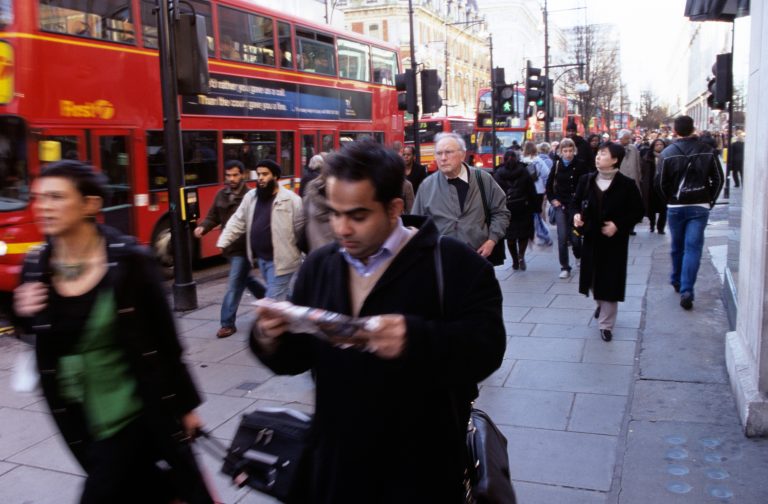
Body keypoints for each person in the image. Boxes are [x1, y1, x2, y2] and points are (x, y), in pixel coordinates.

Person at [251, 140, 506, 503]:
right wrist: (269, 336)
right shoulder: (321, 265)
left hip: (420, 470)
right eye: (335, 213)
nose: (342, 229)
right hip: (339, 467)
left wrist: (416, 338)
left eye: (357, 216)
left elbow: (487, 349)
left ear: (394, 209)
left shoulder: (454, 265)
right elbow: (297, 357)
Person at [13, 160, 212, 504]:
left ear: (90, 204)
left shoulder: (130, 261)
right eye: (39, 197)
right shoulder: (36, 264)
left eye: (56, 197)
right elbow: (39, 336)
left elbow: (166, 343)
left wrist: (186, 406)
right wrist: (23, 312)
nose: (43, 207)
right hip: (79, 418)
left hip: (133, 411)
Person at [573, 142, 644, 342]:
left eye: (603, 154)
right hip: (591, 238)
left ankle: (606, 325)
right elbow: (575, 203)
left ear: (615, 160)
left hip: (614, 242)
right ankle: (600, 303)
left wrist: (618, 225)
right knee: (594, 279)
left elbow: (638, 211)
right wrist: (576, 215)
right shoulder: (586, 180)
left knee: (611, 281)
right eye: (598, 153)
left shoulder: (626, 185)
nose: (598, 157)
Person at [656, 115, 724, 310]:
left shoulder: (667, 153)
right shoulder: (707, 151)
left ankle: (676, 279)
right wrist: (709, 200)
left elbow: (659, 183)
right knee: (693, 248)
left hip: (676, 207)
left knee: (677, 246)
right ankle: (687, 290)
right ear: (693, 128)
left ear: (675, 131)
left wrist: (669, 200)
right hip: (699, 205)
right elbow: (718, 179)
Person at [194, 160, 266, 339]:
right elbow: (213, 217)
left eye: (235, 175)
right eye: (228, 175)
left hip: (244, 249)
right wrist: (203, 227)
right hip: (229, 248)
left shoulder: (251, 195)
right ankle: (271, 301)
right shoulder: (221, 195)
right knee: (247, 280)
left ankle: (227, 323)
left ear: (242, 175)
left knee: (234, 285)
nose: (231, 179)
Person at [412, 132, 510, 262]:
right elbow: (416, 225)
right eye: (439, 153)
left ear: (462, 155)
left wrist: (492, 240)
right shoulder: (427, 186)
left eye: (448, 152)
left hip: (478, 259)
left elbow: (501, 212)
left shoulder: (483, 179)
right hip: (441, 262)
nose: (443, 158)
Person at [217, 159, 304, 301]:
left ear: (275, 176)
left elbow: (300, 229)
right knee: (282, 296)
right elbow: (238, 220)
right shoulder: (251, 197)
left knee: (272, 303)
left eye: (265, 174)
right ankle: (295, 307)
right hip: (262, 259)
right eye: (258, 174)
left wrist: (303, 256)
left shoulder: (292, 200)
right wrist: (224, 240)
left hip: (282, 261)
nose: (261, 178)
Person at [546, 138, 589, 279]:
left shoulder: (581, 165)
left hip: (575, 205)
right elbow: (549, 185)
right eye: (565, 151)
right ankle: (565, 266)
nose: (568, 154)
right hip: (561, 205)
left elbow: (586, 185)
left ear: (574, 150)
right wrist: (553, 200)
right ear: (561, 152)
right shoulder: (557, 165)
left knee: (576, 237)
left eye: (570, 150)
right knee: (562, 237)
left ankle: (578, 255)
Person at [494, 149, 538, 270]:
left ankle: (514, 260)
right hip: (524, 208)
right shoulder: (524, 171)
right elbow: (531, 191)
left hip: (506, 210)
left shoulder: (498, 174)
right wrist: (536, 207)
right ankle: (521, 256)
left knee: (511, 237)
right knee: (523, 235)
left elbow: (495, 194)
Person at [525, 141, 552, 246]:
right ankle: (542, 234)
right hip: (538, 190)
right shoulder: (539, 161)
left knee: (531, 214)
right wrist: (546, 188)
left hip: (526, 192)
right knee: (536, 213)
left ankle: (540, 235)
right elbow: (546, 175)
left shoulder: (522, 161)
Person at [640, 138, 668, 234]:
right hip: (650, 186)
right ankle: (652, 224)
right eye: (657, 144)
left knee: (663, 208)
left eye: (661, 144)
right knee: (651, 206)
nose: (659, 146)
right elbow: (642, 171)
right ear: (653, 146)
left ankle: (661, 227)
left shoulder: (668, 156)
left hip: (663, 186)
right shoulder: (647, 157)